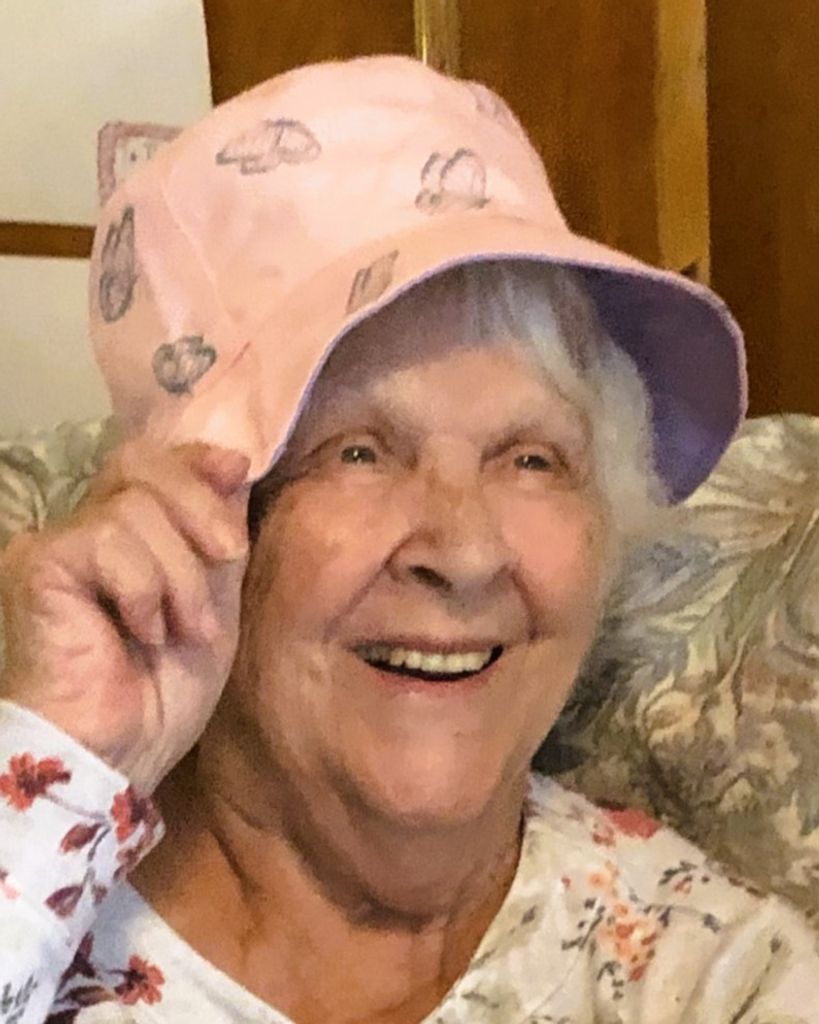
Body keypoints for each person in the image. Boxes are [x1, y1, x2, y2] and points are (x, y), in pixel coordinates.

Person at [0, 55, 816, 1024]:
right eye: (358, 452)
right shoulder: (39, 885)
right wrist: (53, 771)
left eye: (533, 459)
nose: (464, 552)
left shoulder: (717, 974)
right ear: (195, 525)